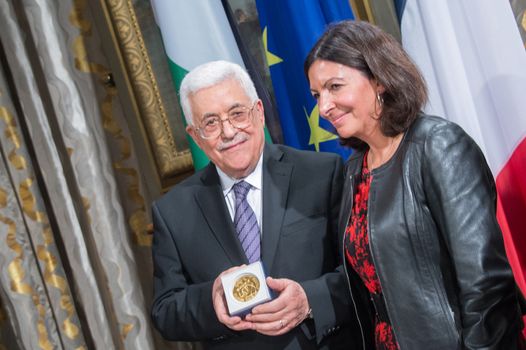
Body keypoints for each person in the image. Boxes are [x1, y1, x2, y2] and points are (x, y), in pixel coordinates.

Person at [305, 20, 525, 350]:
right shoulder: (354, 170)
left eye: (335, 87)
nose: (324, 107)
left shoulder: (438, 145)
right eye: (317, 94)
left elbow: (487, 286)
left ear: (378, 79)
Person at [151, 60, 358, 349]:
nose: (228, 131)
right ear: (195, 136)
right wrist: (211, 299)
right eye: (210, 123)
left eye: (237, 114)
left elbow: (362, 271)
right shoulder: (173, 212)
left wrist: (309, 299)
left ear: (259, 112)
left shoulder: (322, 173)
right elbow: (165, 310)